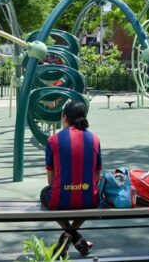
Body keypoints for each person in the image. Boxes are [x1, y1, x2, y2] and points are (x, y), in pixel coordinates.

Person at [41, 101, 101, 256]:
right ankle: (76, 237)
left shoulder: (53, 140)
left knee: (46, 193)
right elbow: (97, 176)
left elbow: (51, 181)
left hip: (60, 200)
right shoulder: (95, 140)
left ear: (64, 117)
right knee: (89, 198)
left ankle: (70, 235)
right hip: (89, 199)